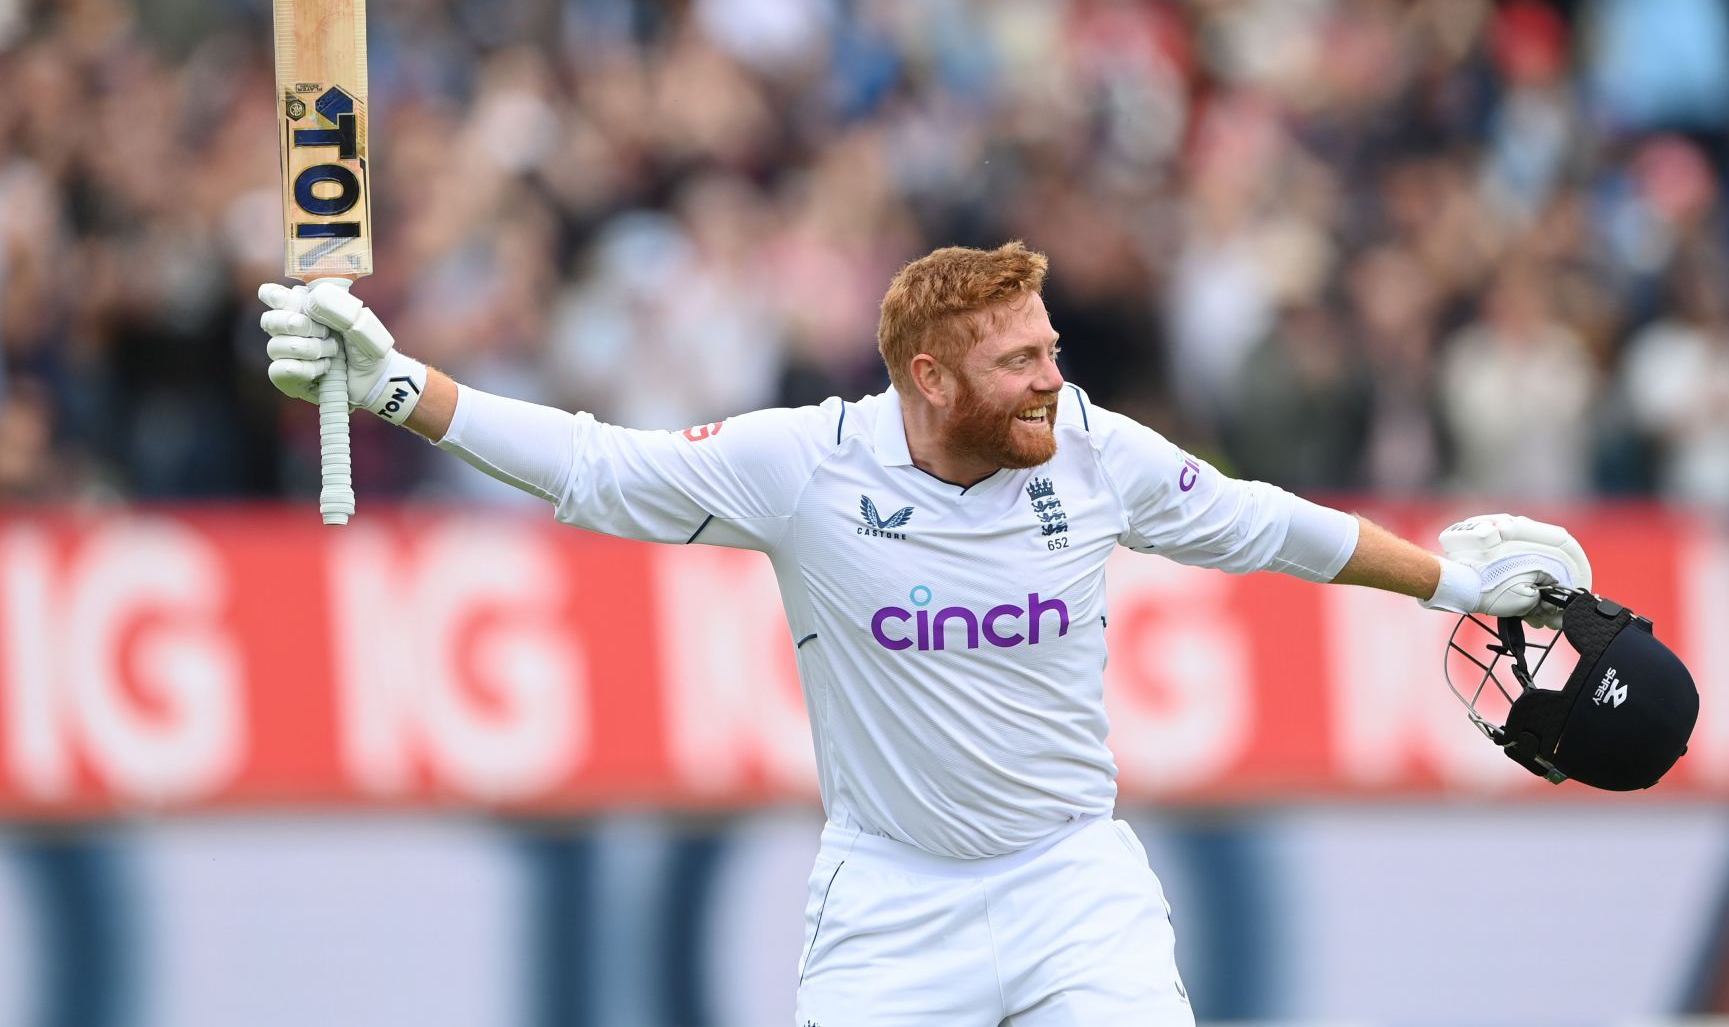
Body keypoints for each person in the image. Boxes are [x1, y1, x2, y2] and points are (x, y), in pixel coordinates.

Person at [258, 241, 1589, 1026]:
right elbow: (596, 469)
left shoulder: (1094, 451)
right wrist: (398, 385)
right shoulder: (804, 466)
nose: (1052, 379)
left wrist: (1453, 588)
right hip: (893, 900)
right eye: (1021, 363)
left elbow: (1265, 526)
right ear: (930, 379)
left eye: (1052, 348)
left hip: (1074, 880)